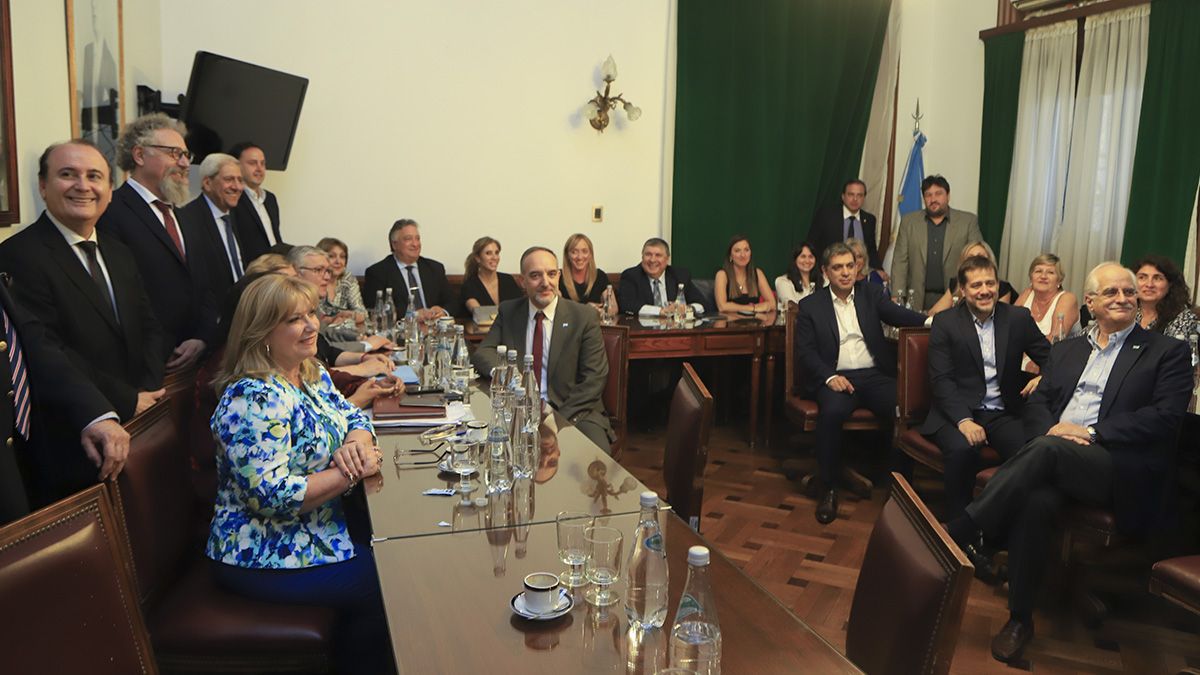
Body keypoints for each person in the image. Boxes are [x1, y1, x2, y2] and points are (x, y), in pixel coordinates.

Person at [946, 262, 1193, 664]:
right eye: (1111, 292)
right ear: (1090, 302)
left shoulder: (1166, 352)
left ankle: (963, 530)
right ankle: (1019, 620)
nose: (1123, 298)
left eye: (1128, 292)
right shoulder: (1067, 349)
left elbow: (1165, 418)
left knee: (1047, 450)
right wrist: (1053, 431)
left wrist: (1090, 434)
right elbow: (1040, 403)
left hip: (1116, 466)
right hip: (1057, 459)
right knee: (1035, 498)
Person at [207, 274, 396, 674]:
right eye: (295, 319)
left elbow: (353, 417)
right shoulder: (252, 396)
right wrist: (354, 472)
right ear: (261, 333)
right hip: (260, 550)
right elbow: (272, 498)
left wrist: (358, 445)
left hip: (320, 526)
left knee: (403, 551)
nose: (312, 325)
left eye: (311, 312)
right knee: (388, 582)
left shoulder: (309, 372)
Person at [0, 141, 138, 517]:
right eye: (67, 174)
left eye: (94, 176)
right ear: (43, 186)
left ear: (110, 190)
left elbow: (146, 325)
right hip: (71, 436)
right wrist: (125, 399)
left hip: (133, 420)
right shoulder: (17, 256)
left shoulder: (120, 251)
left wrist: (146, 389)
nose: (83, 185)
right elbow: (45, 346)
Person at [795, 242, 928, 524]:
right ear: (825, 272)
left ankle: (900, 490)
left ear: (857, 268)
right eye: (837, 267)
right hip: (835, 376)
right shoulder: (810, 306)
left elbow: (897, 315)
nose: (845, 273)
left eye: (849, 266)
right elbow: (805, 352)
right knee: (830, 414)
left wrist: (930, 322)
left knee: (904, 406)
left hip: (873, 375)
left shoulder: (871, 293)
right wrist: (830, 378)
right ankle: (829, 488)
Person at [922, 256, 1050, 521]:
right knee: (962, 449)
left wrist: (1044, 376)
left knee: (1029, 453)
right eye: (976, 285)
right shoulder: (945, 323)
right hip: (956, 411)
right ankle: (959, 528)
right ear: (963, 290)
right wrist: (964, 421)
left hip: (1003, 412)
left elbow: (1052, 358)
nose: (984, 291)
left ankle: (997, 525)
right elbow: (941, 380)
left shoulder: (1017, 318)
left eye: (990, 283)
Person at [98, 113, 216, 372]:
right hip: (149, 367)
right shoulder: (110, 212)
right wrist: (162, 352)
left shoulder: (185, 215)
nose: (185, 163)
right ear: (140, 156)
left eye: (187, 155)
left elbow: (205, 284)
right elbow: (123, 297)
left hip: (195, 361)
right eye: (175, 153)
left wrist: (201, 338)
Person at [471, 247, 613, 451]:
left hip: (575, 411)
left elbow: (594, 379)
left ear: (559, 276)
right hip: (517, 411)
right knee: (487, 453)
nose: (545, 282)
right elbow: (484, 352)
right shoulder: (509, 311)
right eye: (535, 275)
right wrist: (505, 373)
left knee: (596, 468)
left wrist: (556, 420)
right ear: (523, 281)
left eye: (551, 274)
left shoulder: (582, 316)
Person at [889, 175, 983, 310]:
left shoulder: (968, 222)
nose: (933, 199)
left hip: (954, 298)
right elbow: (900, 261)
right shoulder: (909, 222)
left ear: (948, 195)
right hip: (917, 298)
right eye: (928, 195)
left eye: (938, 194)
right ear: (924, 198)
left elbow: (977, 260)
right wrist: (896, 297)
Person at [177, 153, 248, 305]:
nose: (237, 187)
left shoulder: (238, 215)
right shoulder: (186, 220)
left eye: (240, 180)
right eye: (229, 179)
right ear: (207, 183)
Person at [362, 219, 454, 320]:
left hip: (433, 328)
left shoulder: (435, 268)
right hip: (401, 331)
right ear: (394, 244)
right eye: (408, 239)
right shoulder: (378, 273)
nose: (415, 244)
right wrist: (413, 315)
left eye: (417, 239)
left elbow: (453, 302)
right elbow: (376, 310)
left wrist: (443, 311)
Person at [1014, 253, 1079, 372]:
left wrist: (1030, 361)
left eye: (1050, 272)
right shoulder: (1027, 294)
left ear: (1059, 280)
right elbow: (1011, 332)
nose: (1043, 276)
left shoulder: (1067, 299)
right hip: (1025, 360)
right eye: (1038, 271)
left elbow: (1055, 340)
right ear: (1031, 277)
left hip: (1055, 362)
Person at [806, 179, 884, 275]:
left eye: (859, 195)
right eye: (851, 194)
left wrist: (879, 270)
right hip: (829, 274)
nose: (855, 199)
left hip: (858, 275)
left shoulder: (869, 220)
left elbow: (871, 250)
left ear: (864, 198)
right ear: (843, 196)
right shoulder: (826, 216)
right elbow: (812, 245)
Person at [1133, 254, 1199, 364]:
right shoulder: (1127, 312)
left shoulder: (1182, 318)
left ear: (1170, 285)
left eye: (1157, 278)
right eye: (1142, 277)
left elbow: (1170, 358)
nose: (1149, 284)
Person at [617, 238, 705, 316]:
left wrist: (687, 309)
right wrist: (661, 311)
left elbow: (702, 304)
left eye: (658, 255)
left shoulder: (680, 275)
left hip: (674, 330)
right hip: (643, 331)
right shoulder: (631, 276)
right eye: (648, 254)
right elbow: (627, 305)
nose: (652, 260)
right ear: (642, 256)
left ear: (667, 259)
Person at [926, 241, 1016, 315]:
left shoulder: (1003, 287)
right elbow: (934, 312)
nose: (976, 261)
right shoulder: (956, 283)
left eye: (980, 257)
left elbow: (1000, 319)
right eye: (971, 258)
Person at [229, 141, 283, 263]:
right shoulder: (233, 198)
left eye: (262, 163)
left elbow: (275, 238)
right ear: (236, 166)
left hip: (275, 271)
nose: (259, 168)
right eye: (252, 163)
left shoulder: (270, 199)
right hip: (251, 272)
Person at [713, 235, 776, 313]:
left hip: (754, 323)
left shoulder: (757, 273)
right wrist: (753, 308)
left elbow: (772, 304)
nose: (743, 255)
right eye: (737, 251)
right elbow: (722, 307)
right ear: (730, 256)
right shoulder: (722, 275)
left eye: (746, 250)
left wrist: (764, 306)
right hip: (729, 323)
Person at [460, 236, 522, 313]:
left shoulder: (508, 280)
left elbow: (521, 308)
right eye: (488, 253)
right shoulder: (470, 284)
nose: (494, 257)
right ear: (477, 258)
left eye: (496, 253)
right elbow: (479, 313)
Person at [559, 233, 615, 316]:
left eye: (584, 251)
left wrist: (602, 312)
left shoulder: (599, 275)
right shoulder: (558, 277)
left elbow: (613, 308)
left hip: (593, 326)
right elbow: (556, 311)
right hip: (568, 327)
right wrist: (586, 309)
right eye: (574, 252)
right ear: (567, 255)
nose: (580, 257)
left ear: (590, 255)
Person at [316, 237, 367, 321]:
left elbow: (362, 314)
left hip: (344, 332)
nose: (338, 261)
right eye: (332, 256)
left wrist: (345, 317)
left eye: (342, 257)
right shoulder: (314, 279)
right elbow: (316, 319)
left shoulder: (347, 278)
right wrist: (338, 317)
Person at [774, 243, 823, 307]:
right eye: (803, 256)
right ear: (795, 259)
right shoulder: (783, 281)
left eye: (811, 257)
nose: (807, 261)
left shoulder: (824, 281)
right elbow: (793, 308)